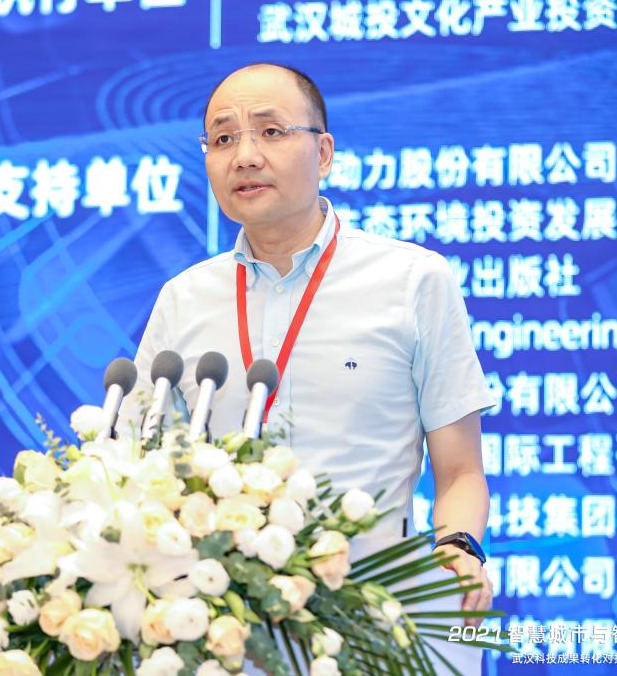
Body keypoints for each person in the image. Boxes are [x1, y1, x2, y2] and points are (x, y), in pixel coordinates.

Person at [116, 63, 495, 675]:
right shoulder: (183, 300)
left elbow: (461, 471)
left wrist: (458, 545)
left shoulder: (412, 280)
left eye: (270, 132)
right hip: (222, 631)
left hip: (376, 615)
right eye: (223, 138)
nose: (244, 156)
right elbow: (137, 468)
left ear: (323, 154)